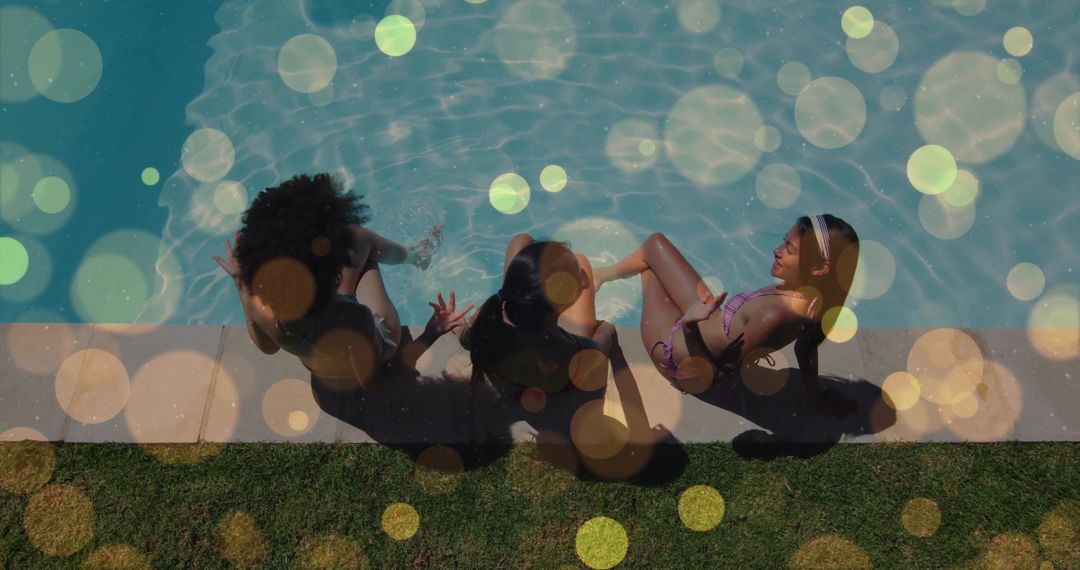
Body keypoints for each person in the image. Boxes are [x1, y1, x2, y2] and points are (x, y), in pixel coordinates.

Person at [213, 173, 471, 390]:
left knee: (352, 240)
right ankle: (417, 256)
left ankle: (415, 256)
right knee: (359, 240)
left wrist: (241, 281)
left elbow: (267, 348)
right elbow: (377, 382)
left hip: (319, 363)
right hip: (357, 364)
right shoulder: (352, 317)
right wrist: (430, 334)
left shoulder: (259, 298)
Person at [592, 215, 859, 415]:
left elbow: (713, 378)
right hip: (709, 322)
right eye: (783, 242)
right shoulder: (815, 300)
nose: (777, 251)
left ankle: (599, 276)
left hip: (677, 356)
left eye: (789, 250)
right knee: (655, 245)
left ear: (821, 268)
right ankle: (602, 276)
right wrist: (815, 397)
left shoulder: (775, 316)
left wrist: (689, 326)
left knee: (649, 267)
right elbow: (806, 347)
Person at [459, 234, 617, 394]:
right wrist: (606, 329)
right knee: (581, 259)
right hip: (552, 379)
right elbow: (599, 350)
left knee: (521, 240)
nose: (585, 283)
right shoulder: (569, 349)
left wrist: (463, 327)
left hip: (522, 350)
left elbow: (467, 337)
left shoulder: (490, 329)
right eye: (579, 277)